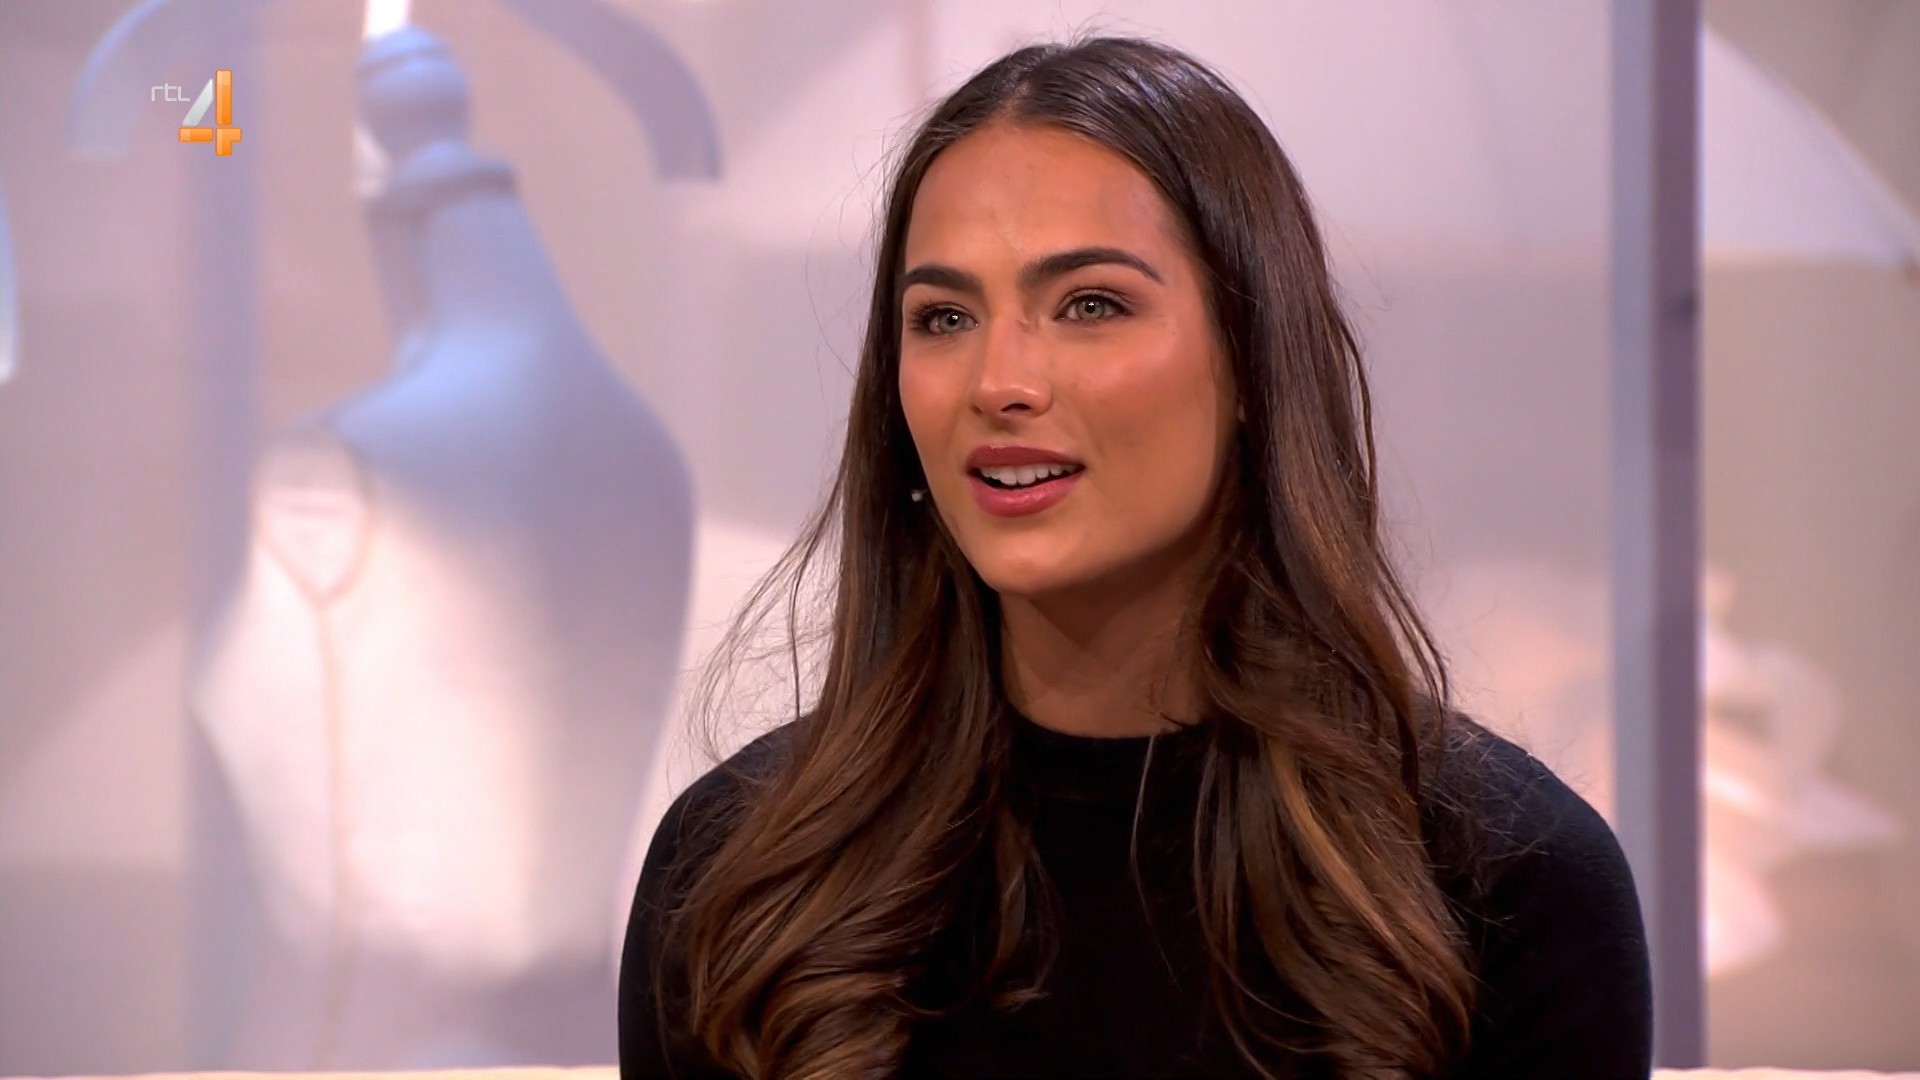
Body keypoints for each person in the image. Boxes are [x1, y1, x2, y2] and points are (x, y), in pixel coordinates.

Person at [619, 35, 1652, 1080]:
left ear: (1252, 359)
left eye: (1091, 305)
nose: (999, 381)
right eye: (944, 317)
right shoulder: (744, 880)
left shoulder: (1508, 885)